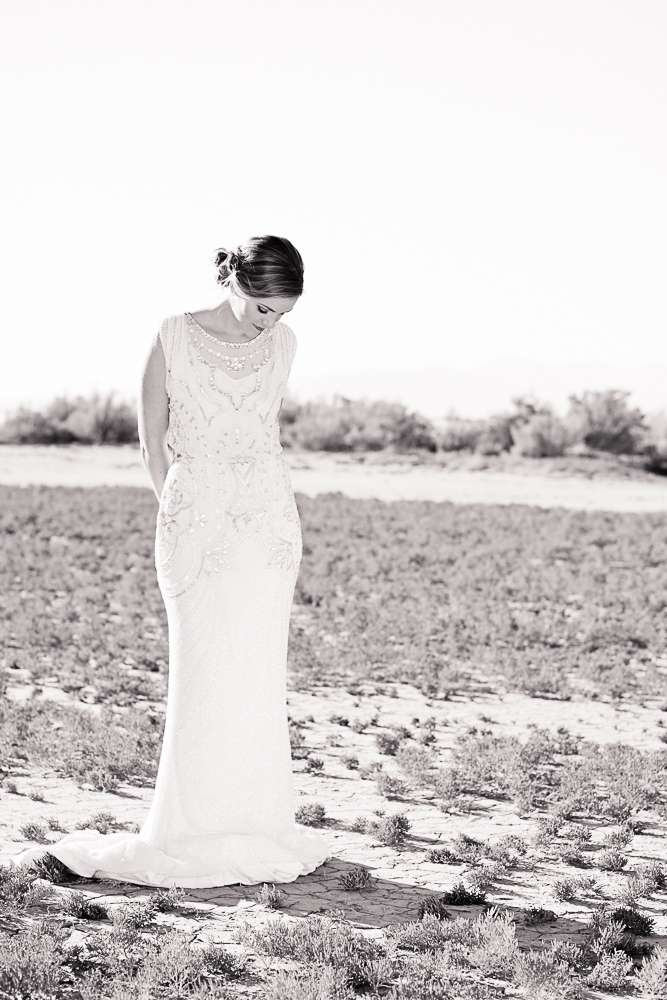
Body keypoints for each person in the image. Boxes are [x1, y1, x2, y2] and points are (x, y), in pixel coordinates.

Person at [15, 235, 329, 887]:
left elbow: (262, 435)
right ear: (235, 282)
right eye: (264, 308)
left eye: (283, 313)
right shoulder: (173, 335)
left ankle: (257, 823)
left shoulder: (285, 344)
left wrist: (240, 506)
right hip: (196, 525)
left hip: (267, 527)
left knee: (255, 673)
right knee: (202, 671)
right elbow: (151, 442)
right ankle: (186, 830)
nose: (271, 323)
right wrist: (184, 511)